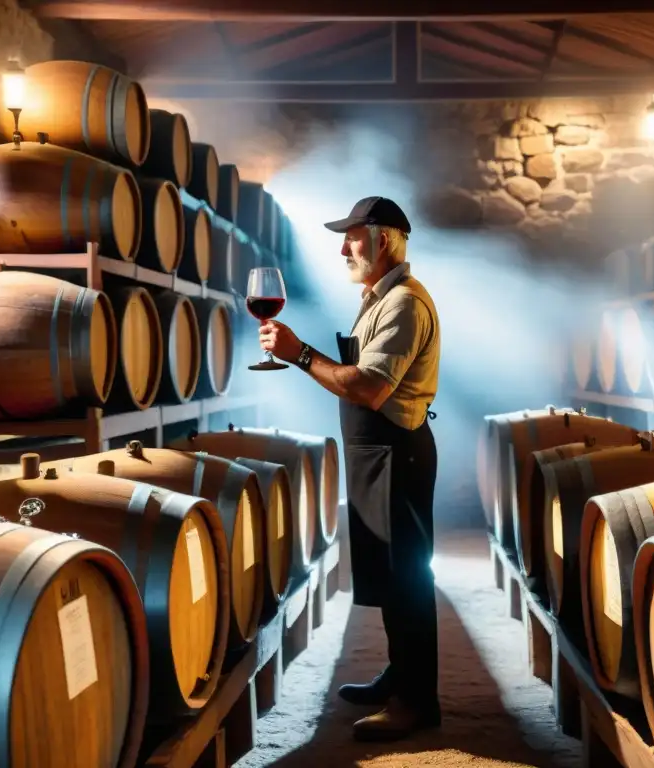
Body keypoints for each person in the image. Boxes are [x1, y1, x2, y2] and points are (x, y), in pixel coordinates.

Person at [258, 196, 442, 742]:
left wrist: (300, 354)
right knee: (390, 575)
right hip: (378, 455)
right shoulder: (378, 298)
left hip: (397, 454)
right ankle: (400, 673)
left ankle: (418, 701)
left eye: (353, 236)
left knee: (409, 579)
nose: (342, 247)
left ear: (383, 239)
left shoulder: (405, 304)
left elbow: (369, 386)